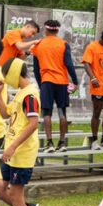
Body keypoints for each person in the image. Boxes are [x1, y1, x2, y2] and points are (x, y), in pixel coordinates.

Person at [0, 58, 47, 206]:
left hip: (21, 153)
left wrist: (13, 146)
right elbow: (5, 114)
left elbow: (33, 123)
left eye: (7, 76)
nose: (6, 80)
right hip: (12, 152)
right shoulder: (20, 93)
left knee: (17, 196)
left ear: (15, 74)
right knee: (0, 189)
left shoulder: (30, 95)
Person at [31, 20, 80, 153]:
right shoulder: (63, 44)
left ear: (45, 30)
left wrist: (41, 84)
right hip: (62, 82)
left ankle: (49, 143)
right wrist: (75, 82)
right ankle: (62, 143)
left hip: (46, 81)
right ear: (57, 30)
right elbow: (69, 64)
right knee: (62, 112)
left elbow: (36, 69)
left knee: (46, 112)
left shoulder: (38, 45)